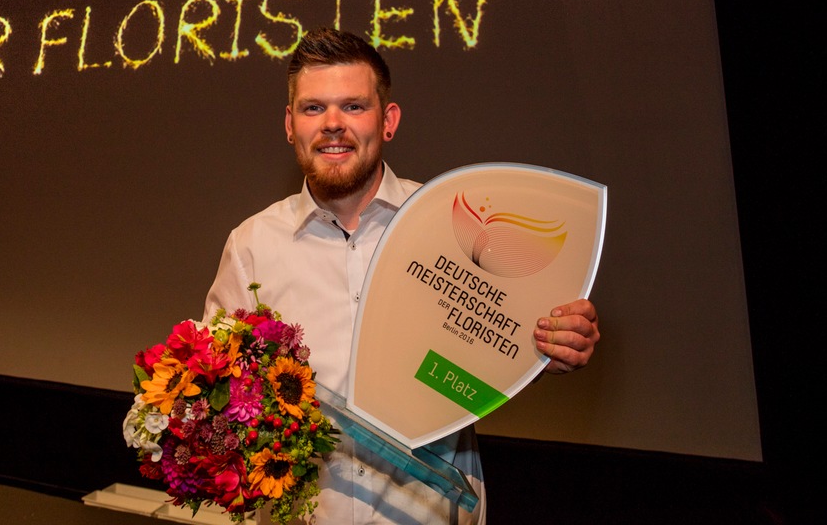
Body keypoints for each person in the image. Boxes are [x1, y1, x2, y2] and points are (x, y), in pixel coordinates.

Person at [203, 28, 600, 524]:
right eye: (312, 108)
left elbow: (501, 337)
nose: (331, 124)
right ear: (289, 125)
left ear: (387, 120)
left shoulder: (447, 223)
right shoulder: (251, 247)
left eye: (353, 106)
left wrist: (553, 344)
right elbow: (216, 393)